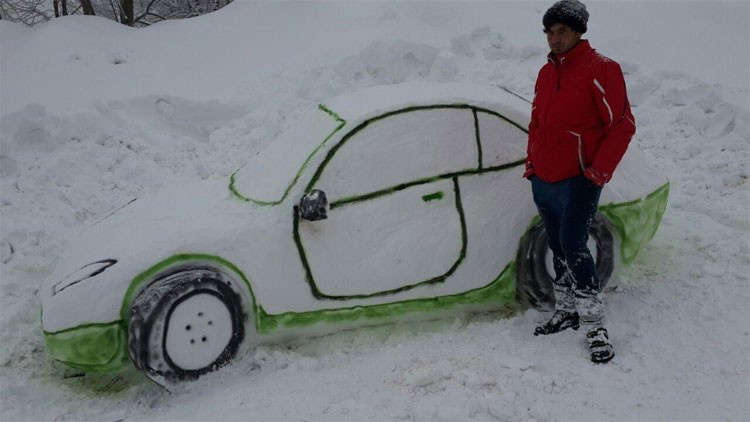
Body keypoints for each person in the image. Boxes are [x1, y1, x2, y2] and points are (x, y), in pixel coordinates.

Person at [524, 0, 635, 363]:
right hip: (544, 177)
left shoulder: (602, 69)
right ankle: (566, 309)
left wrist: (596, 175)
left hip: (578, 179)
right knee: (557, 243)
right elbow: (537, 123)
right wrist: (532, 166)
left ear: (578, 32)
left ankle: (594, 324)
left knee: (574, 245)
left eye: (562, 31)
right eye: (550, 32)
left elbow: (621, 126)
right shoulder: (546, 72)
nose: (555, 39)